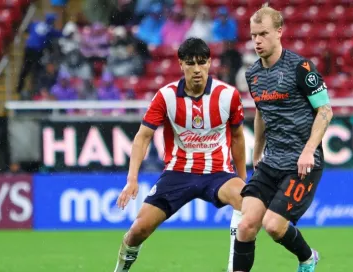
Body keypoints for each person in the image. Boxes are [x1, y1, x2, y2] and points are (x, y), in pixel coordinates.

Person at [113, 38, 247, 272]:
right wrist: (132, 179)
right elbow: (142, 137)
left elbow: (237, 137)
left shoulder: (228, 95)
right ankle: (119, 269)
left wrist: (243, 179)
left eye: (202, 63)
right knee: (138, 231)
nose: (197, 69)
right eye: (190, 63)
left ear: (209, 63)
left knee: (246, 202)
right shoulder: (165, 96)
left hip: (218, 173)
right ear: (180, 64)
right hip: (178, 173)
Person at [232, 4, 333, 272]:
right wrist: (257, 153)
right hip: (271, 161)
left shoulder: (302, 67)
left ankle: (308, 257)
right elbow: (261, 113)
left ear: (279, 32)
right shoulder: (252, 75)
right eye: (253, 35)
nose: (257, 41)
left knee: (274, 226)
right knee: (245, 226)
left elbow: (325, 111)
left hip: (302, 162)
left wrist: (309, 150)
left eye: (263, 34)